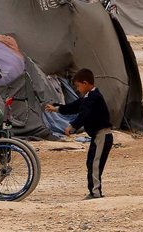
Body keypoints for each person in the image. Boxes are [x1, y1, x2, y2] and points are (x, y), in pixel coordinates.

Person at [45, 68, 113, 200]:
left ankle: (95, 193)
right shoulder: (88, 97)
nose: (77, 89)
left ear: (86, 83)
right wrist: (57, 108)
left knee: (95, 164)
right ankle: (93, 191)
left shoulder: (94, 98)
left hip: (102, 136)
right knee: (91, 162)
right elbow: (74, 106)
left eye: (78, 86)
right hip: (97, 136)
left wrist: (72, 126)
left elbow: (84, 114)